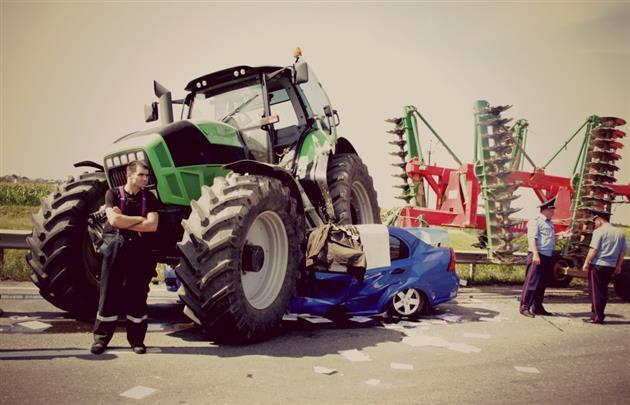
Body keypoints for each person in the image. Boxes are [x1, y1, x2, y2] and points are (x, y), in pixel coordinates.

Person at [91, 160, 159, 355]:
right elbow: (113, 220)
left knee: (137, 294)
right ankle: (101, 339)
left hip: (140, 251)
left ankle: (137, 340)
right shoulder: (113, 194)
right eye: (141, 175)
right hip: (115, 249)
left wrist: (125, 221)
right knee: (108, 293)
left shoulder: (150, 198)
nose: (145, 179)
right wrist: (139, 219)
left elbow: (152, 226)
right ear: (129, 175)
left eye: (147, 175)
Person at [581, 209, 627, 324]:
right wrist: (619, 266)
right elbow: (622, 252)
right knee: (603, 290)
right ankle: (599, 314)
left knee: (595, 291)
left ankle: (597, 316)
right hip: (610, 266)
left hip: (598, 265)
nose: (595, 224)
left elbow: (593, 250)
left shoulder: (599, 232)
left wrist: (586, 262)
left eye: (595, 221)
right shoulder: (620, 232)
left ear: (599, 220)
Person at [519, 197, 556, 318]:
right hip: (538, 255)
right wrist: (535, 254)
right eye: (552, 210)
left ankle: (537, 307)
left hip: (547, 255)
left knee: (541, 284)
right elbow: (532, 238)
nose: (553, 212)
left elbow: (547, 239)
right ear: (545, 210)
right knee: (532, 283)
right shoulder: (536, 221)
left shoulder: (550, 223)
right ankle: (524, 307)